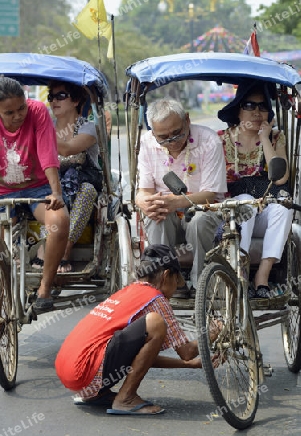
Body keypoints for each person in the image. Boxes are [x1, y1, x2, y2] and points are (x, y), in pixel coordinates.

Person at [55, 244, 221, 415]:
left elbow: (139, 358)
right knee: (156, 323)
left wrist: (191, 365)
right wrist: (213, 333)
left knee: (149, 328)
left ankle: (96, 395)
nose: (176, 288)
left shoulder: (127, 291)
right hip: (85, 373)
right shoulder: (155, 298)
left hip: (72, 376)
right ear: (166, 276)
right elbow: (187, 352)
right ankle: (125, 398)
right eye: (177, 281)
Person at [135, 98, 227, 298]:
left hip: (204, 209)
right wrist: (142, 201)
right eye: (163, 137)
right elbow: (144, 190)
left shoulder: (209, 140)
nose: (172, 141)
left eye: (177, 133)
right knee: (155, 215)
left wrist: (175, 202)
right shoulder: (146, 142)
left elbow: (210, 194)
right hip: (167, 214)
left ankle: (201, 282)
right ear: (152, 132)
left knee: (199, 220)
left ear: (187, 120)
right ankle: (167, 282)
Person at [217, 80, 293, 298]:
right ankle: (239, 270)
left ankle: (262, 274)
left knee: (283, 208)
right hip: (232, 213)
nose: (256, 112)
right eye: (250, 106)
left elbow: (281, 179)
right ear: (239, 109)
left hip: (266, 210)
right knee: (244, 201)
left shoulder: (276, 137)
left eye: (262, 107)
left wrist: (264, 138)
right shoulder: (220, 140)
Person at [0, 76, 69, 312]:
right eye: (9, 113)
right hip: (2, 191)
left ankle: (44, 288)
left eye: (21, 107)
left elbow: (48, 153)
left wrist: (56, 192)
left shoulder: (37, 111)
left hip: (37, 187)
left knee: (59, 222)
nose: (18, 115)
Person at [32, 81, 103, 273]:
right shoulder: (47, 126)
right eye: (51, 97)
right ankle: (42, 247)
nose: (54, 101)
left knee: (86, 191)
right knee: (45, 191)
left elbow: (68, 148)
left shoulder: (88, 127)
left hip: (83, 181)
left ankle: (64, 250)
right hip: (52, 182)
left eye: (61, 96)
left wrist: (40, 131)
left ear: (76, 100)